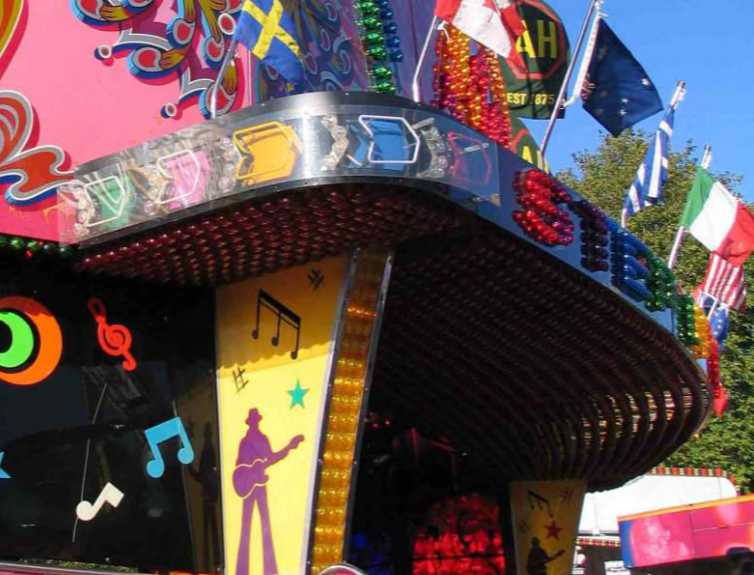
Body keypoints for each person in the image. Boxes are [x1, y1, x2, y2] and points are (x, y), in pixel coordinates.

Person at [234, 408, 304, 575]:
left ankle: (270, 570)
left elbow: (271, 458)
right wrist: (248, 475)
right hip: (249, 485)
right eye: (252, 420)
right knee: (246, 527)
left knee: (265, 524)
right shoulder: (244, 442)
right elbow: (239, 465)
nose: (255, 423)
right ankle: (241, 571)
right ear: (250, 422)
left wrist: (289, 447)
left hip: (260, 485)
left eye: (256, 420)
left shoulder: (263, 439)